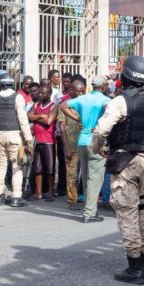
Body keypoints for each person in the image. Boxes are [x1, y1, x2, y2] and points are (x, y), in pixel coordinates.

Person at [90, 55, 144, 284]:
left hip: (125, 165)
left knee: (127, 215)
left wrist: (98, 150)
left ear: (125, 78)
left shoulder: (120, 102)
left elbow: (100, 131)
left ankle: (134, 268)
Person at [60, 75, 111, 222]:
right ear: (104, 86)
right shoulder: (105, 100)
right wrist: (102, 122)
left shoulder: (83, 99)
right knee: (95, 179)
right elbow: (111, 112)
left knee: (87, 177)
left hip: (82, 141)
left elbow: (63, 106)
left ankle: (89, 209)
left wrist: (78, 118)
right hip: (96, 141)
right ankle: (89, 213)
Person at [0, 74, 33, 208]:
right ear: (12, 84)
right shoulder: (17, 97)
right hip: (15, 137)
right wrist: (28, 139)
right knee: (17, 167)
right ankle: (16, 197)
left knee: (1, 166)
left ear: (0, 84)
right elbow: (23, 119)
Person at [29, 85, 57, 201]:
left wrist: (35, 118)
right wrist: (40, 116)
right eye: (39, 93)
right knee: (37, 167)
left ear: (49, 94)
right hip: (38, 140)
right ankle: (38, 192)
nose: (40, 95)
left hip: (49, 141)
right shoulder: (36, 105)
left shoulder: (54, 106)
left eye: (43, 93)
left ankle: (50, 191)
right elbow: (28, 115)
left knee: (49, 168)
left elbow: (49, 121)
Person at [59, 79, 84, 209]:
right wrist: (66, 147)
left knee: (85, 174)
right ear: (71, 91)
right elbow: (62, 128)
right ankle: (72, 199)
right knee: (71, 174)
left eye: (83, 91)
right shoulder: (65, 105)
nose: (81, 94)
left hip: (85, 144)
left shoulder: (85, 104)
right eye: (78, 91)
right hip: (72, 145)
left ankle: (85, 197)